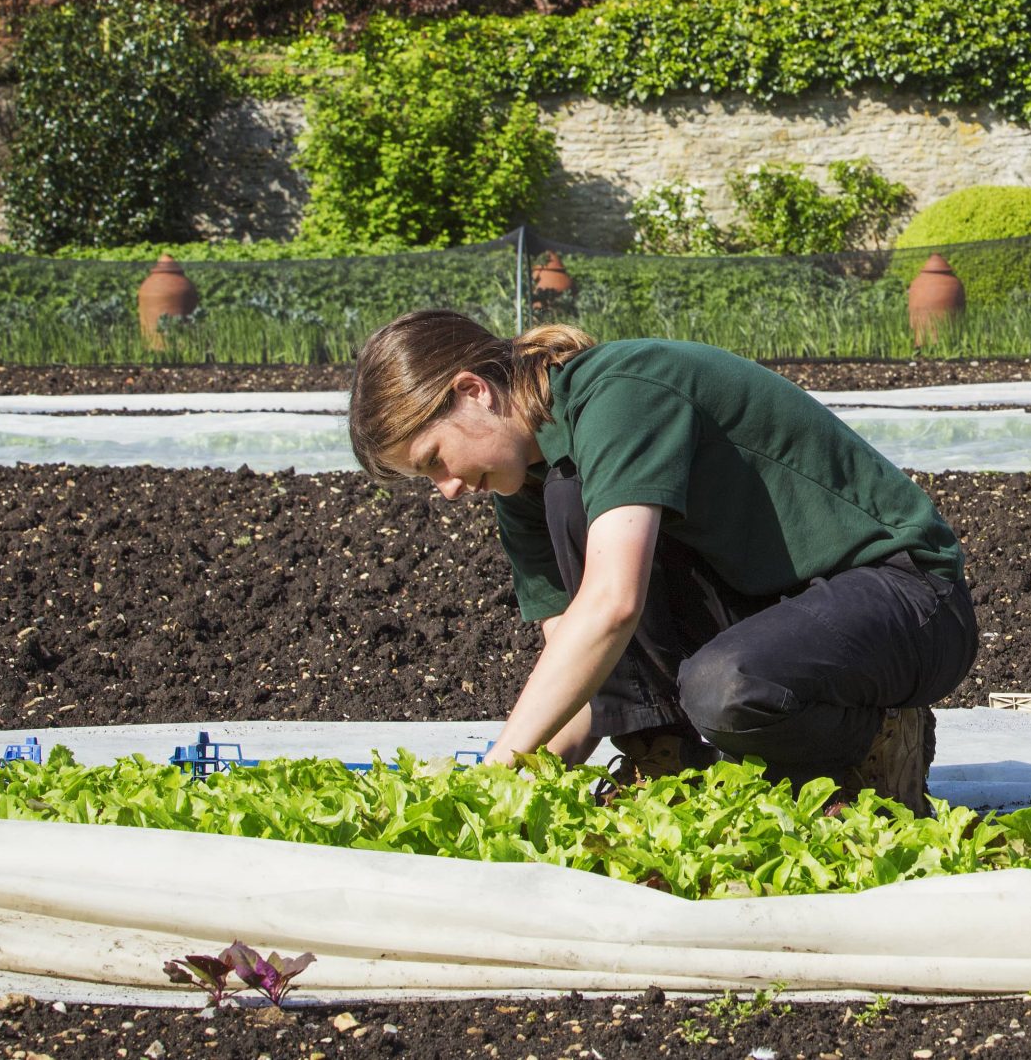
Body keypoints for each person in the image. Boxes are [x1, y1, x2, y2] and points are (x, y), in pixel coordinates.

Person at [346, 310, 977, 810]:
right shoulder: (527, 483)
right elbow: (580, 664)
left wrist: (493, 771)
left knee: (728, 689)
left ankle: (872, 742)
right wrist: (517, 793)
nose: (448, 489)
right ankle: (666, 759)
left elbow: (612, 605)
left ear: (473, 391)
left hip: (905, 600)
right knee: (569, 505)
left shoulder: (620, 392)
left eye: (434, 460)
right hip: (777, 612)